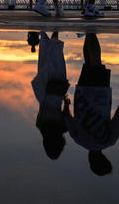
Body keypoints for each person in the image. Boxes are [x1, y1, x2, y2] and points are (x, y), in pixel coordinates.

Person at [63, 33, 119, 176]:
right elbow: (68, 118)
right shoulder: (80, 140)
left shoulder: (109, 141)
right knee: (88, 63)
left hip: (100, 96)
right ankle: (88, 32)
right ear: (91, 161)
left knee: (96, 63)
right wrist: (66, 103)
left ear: (104, 158)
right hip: (82, 96)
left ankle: (91, 31)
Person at [32, 31, 69, 160]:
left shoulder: (62, 128)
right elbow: (42, 109)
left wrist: (67, 102)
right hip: (45, 93)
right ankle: (44, 35)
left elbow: (65, 112)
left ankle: (55, 32)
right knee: (45, 63)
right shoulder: (41, 125)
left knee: (56, 61)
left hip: (58, 92)